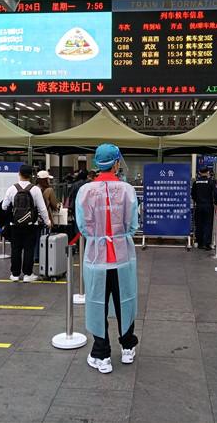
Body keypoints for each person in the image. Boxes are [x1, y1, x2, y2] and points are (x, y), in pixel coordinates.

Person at [76, 143, 139, 374]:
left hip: (96, 257)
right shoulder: (127, 190)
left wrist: (97, 237)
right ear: (116, 163)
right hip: (123, 257)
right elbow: (133, 225)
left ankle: (102, 354)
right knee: (125, 300)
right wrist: (120, 236)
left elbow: (82, 226)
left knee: (97, 304)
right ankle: (127, 346)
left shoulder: (85, 191)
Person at [1, 164, 50, 282]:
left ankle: (15, 274)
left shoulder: (12, 188)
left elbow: (4, 206)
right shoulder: (35, 189)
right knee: (29, 249)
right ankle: (28, 274)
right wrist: (47, 221)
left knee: (15, 249)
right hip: (31, 225)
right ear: (31, 175)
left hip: (15, 225)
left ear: (19, 174)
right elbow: (42, 208)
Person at [191, 166, 217, 250]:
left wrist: (196, 200)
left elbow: (193, 194)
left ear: (199, 172)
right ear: (207, 172)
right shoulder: (211, 182)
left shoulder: (196, 182)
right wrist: (215, 203)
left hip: (198, 205)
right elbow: (215, 193)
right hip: (208, 206)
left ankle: (200, 243)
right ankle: (206, 243)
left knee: (199, 224)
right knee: (207, 224)